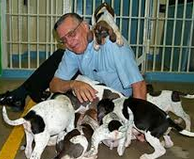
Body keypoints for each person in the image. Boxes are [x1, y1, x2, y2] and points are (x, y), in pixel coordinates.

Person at [0, 12, 146, 111]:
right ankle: (24, 95)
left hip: (117, 102)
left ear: (84, 26)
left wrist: (141, 125)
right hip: (96, 95)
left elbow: (138, 85)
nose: (69, 42)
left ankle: (21, 95)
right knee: (60, 56)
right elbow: (54, 84)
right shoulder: (72, 49)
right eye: (64, 40)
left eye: (72, 34)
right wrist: (73, 84)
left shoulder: (111, 44)